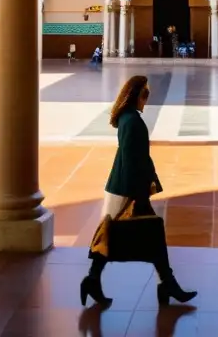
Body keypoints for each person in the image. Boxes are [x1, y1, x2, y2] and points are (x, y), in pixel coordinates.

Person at [81, 76, 196, 308]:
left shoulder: (128, 118)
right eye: (145, 94)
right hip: (127, 189)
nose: (147, 99)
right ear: (135, 95)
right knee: (114, 236)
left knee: (127, 235)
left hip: (125, 186)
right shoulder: (132, 121)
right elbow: (132, 160)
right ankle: (165, 283)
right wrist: (139, 194)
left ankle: (165, 282)